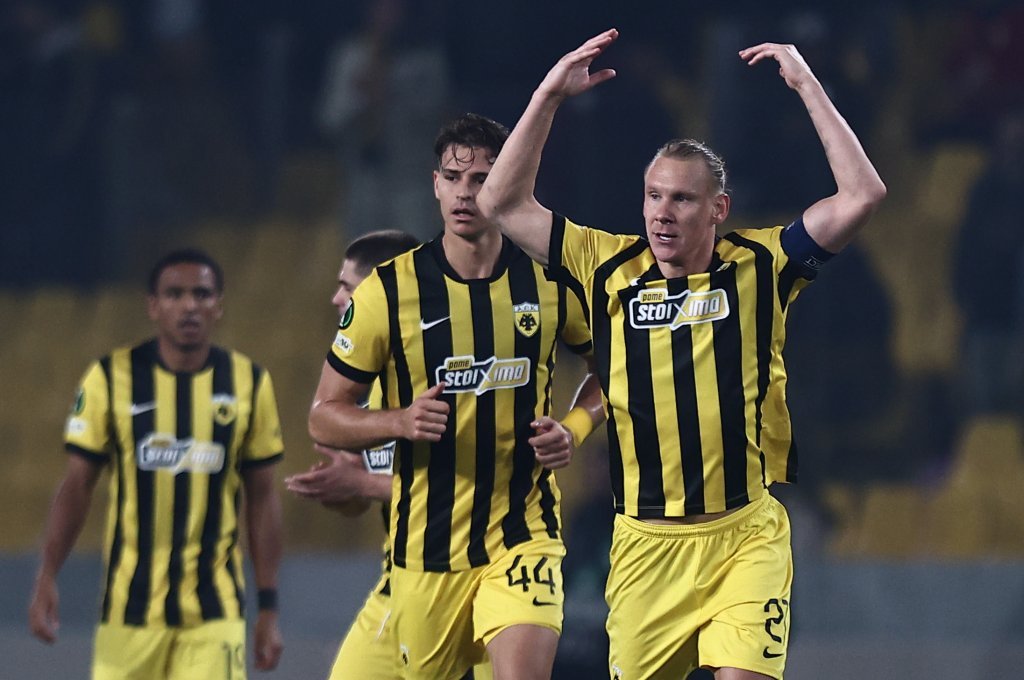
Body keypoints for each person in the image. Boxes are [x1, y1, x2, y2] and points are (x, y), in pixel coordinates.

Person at [478, 29, 886, 679]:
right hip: (646, 548)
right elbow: (500, 202)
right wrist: (548, 97)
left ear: (718, 209)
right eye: (653, 195)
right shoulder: (605, 264)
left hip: (744, 538)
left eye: (682, 198)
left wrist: (807, 85)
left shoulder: (761, 264)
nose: (662, 213)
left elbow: (863, 195)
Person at [307, 112, 605, 680]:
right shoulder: (388, 292)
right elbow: (324, 417)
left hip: (524, 535)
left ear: (505, 186)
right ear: (435, 184)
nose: (465, 193)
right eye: (453, 178)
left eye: (481, 180)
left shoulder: (548, 283)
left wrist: (576, 426)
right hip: (426, 553)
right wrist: (398, 421)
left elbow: (613, 369)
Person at [28, 248, 286, 679]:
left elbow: (262, 498)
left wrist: (269, 608)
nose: (189, 306)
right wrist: (46, 575)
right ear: (153, 306)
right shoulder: (110, 378)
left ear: (218, 306)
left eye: (201, 294)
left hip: (215, 613)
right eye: (174, 294)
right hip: (128, 613)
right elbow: (77, 485)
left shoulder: (249, 382)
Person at [286, 228, 495, 680]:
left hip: (474, 581)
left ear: (380, 290)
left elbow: (474, 486)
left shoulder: (449, 369)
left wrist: (361, 482)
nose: (336, 299)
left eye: (347, 287)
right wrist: (344, 488)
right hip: (399, 581)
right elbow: (362, 501)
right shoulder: (361, 384)